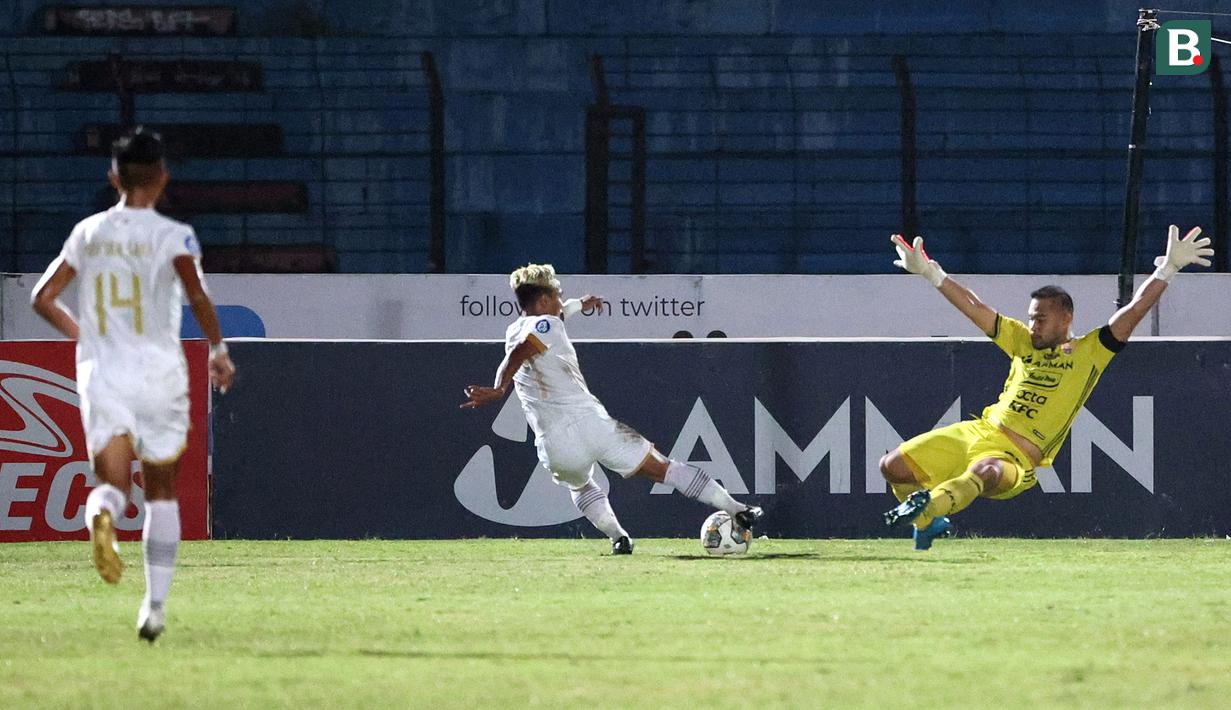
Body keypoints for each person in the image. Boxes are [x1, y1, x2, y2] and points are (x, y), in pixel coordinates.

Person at [880, 226, 1212, 550]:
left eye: (1040, 319)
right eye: (1030, 317)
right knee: (892, 466)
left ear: (1066, 318)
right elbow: (974, 307)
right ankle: (928, 521)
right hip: (979, 430)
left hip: (1016, 456)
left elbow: (1135, 309)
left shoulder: (1091, 352)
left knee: (987, 472)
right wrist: (930, 272)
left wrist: (1167, 269)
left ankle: (929, 509)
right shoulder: (1021, 341)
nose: (1032, 325)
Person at [30, 127, 236, 641]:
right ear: (163, 177)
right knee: (162, 493)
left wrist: (87, 338)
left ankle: (101, 517)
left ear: (113, 177)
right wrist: (217, 350)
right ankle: (154, 610)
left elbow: (43, 296)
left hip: (103, 372)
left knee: (113, 486)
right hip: (158, 372)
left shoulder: (88, 233)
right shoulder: (173, 237)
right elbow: (198, 296)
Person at [460, 263, 761, 554]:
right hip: (591, 424)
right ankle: (737, 509)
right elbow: (523, 348)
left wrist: (580, 304)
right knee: (663, 468)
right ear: (543, 300)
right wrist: (500, 388)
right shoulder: (544, 327)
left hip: (555, 445)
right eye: (558, 294)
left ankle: (619, 538)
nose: (561, 301)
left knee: (579, 487)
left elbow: (538, 331)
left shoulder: (516, 327)